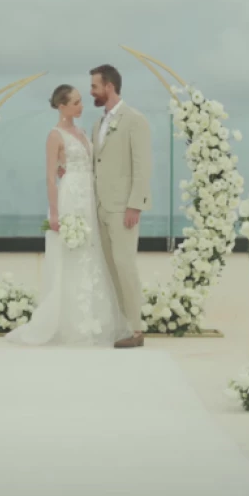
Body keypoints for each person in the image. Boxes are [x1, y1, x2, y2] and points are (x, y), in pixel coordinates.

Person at [4, 84, 129, 347]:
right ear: (61, 106)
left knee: (91, 253)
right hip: (71, 197)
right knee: (72, 254)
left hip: (89, 195)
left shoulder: (83, 132)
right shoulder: (54, 135)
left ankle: (96, 320)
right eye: (75, 103)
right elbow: (50, 177)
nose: (80, 107)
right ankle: (71, 323)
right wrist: (55, 213)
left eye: (81, 101)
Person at [89, 64, 150, 348]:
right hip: (100, 207)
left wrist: (135, 205)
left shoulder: (134, 120)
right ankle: (121, 325)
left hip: (123, 208)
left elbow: (142, 166)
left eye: (95, 87)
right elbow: (96, 163)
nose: (92, 92)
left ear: (109, 87)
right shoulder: (97, 124)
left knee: (126, 266)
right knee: (111, 268)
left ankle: (137, 330)